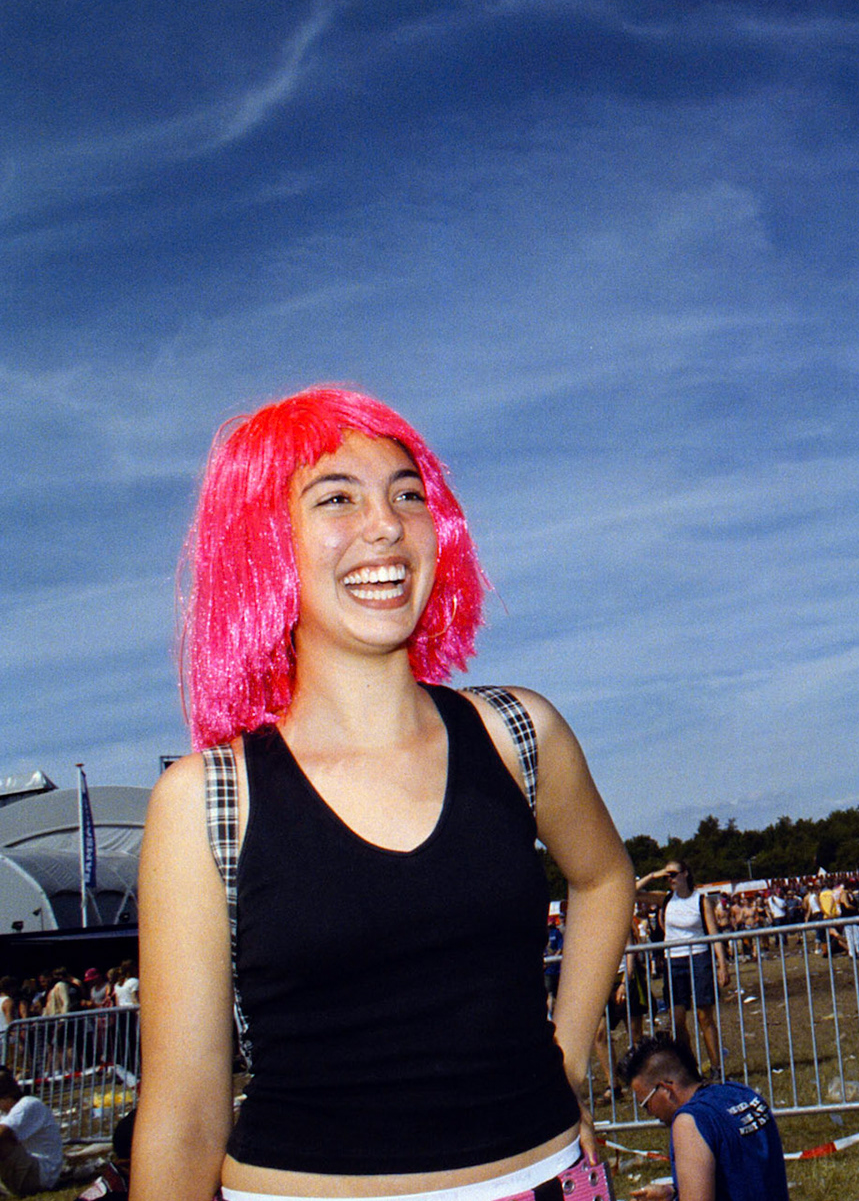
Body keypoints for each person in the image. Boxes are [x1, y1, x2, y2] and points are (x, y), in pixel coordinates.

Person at [134, 387, 635, 1200]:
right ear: (264, 546)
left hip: (547, 1179)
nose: (385, 524)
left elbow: (606, 878)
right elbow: (186, 1112)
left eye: (408, 494)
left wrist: (566, 1056)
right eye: (337, 498)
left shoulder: (520, 735)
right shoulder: (206, 802)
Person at [618, 1035, 789, 1201]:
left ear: (666, 1089)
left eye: (646, 1104)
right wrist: (673, 1193)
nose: (649, 1113)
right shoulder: (741, 1093)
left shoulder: (689, 1122)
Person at [639, 862, 731, 1077]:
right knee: (678, 1019)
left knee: (704, 1016)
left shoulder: (701, 900)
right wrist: (653, 874)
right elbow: (633, 893)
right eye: (667, 875)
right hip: (674, 960)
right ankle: (690, 1069)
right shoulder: (665, 899)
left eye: (673, 874)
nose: (670, 878)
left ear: (685, 874)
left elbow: (714, 934)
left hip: (699, 957)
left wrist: (722, 964)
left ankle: (717, 1067)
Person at [0, 1065, 63, 1196]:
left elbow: (2, 1134)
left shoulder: (28, 1104)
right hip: (28, 1171)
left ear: (6, 1097)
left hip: (41, 1175)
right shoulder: (6, 1113)